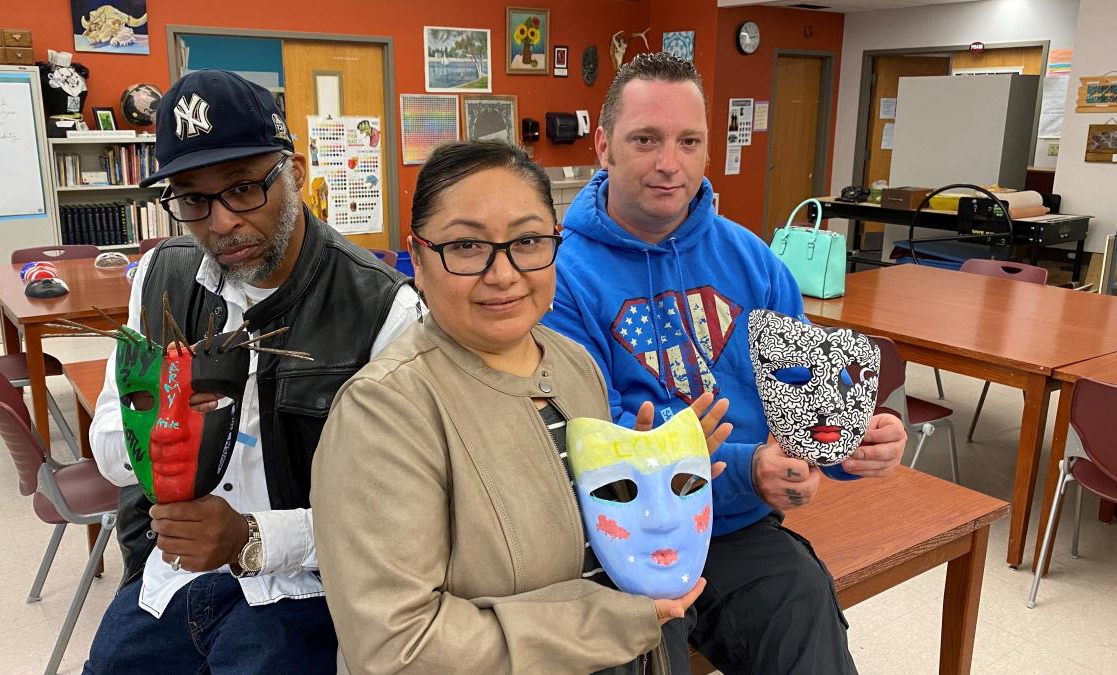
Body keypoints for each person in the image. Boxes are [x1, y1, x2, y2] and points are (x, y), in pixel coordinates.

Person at [542, 53, 909, 674]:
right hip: (624, 538)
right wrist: (747, 468)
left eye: (689, 141)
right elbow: (593, 434)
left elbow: (805, 401)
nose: (669, 163)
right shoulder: (559, 275)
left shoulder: (754, 260)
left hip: (737, 527)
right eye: (646, 139)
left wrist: (847, 444)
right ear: (604, 145)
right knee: (627, 655)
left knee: (802, 605)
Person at [311, 141, 731, 674]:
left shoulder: (575, 365)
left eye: (528, 240)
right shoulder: (383, 412)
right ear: (416, 257)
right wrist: (612, 622)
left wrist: (657, 480)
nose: (503, 273)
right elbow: (396, 647)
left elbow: (596, 538)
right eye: (466, 246)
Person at [84, 70, 419, 673]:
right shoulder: (162, 274)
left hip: (302, 589)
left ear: (292, 174)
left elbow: (400, 517)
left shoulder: (384, 309)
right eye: (192, 199)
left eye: (242, 188)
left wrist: (252, 537)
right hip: (171, 577)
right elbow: (109, 433)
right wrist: (164, 430)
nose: (219, 222)